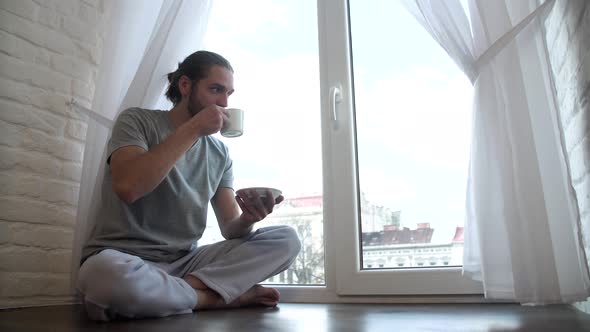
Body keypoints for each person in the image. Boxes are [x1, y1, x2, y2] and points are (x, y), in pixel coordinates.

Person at [77, 50, 301, 321]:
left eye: (229, 94)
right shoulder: (137, 121)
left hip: (186, 264)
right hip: (126, 259)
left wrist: (249, 218)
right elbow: (128, 187)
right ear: (185, 85)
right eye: (216, 90)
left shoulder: (219, 153)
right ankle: (216, 298)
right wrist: (194, 128)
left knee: (286, 239)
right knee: (103, 276)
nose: (224, 102)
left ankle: (184, 293)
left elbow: (231, 228)